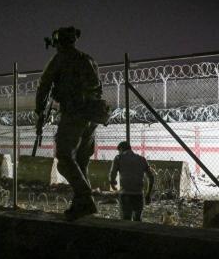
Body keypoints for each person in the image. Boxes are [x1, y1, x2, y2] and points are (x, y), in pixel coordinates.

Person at [36, 26, 108, 221]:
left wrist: (39, 112)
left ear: (58, 42)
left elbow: (43, 86)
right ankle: (80, 204)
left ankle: (85, 197)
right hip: (92, 115)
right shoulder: (88, 59)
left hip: (74, 114)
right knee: (81, 160)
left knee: (64, 158)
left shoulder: (60, 59)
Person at [109, 141, 154, 221]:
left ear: (121, 149)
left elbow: (112, 175)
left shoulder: (119, 158)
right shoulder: (142, 159)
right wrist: (148, 194)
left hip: (125, 194)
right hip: (139, 194)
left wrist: (113, 184)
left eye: (119, 151)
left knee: (126, 220)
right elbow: (151, 177)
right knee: (137, 219)